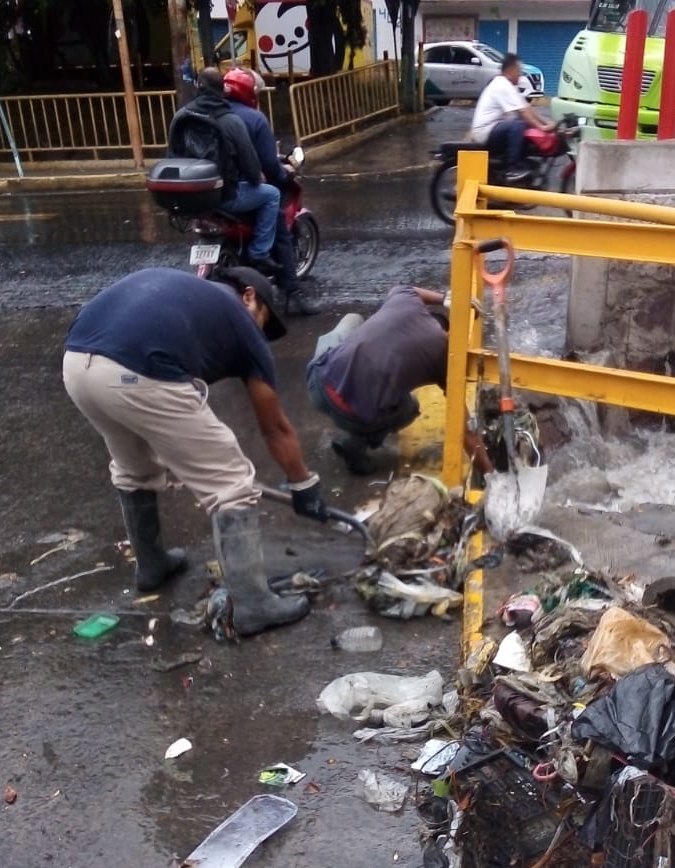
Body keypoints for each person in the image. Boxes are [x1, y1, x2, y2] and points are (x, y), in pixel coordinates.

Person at [62, 266, 328, 635]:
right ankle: (253, 606)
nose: (261, 334)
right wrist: (304, 484)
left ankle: (152, 566)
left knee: (133, 466)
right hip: (135, 371)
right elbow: (275, 427)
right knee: (230, 481)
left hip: (76, 362)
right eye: (265, 321)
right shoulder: (240, 320)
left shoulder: (186, 295)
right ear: (250, 295)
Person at [306, 285, 492, 476]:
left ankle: (345, 369)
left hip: (318, 383)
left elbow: (404, 288)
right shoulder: (443, 355)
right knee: (409, 407)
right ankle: (355, 441)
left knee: (352, 320)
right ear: (446, 332)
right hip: (350, 414)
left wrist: (444, 297)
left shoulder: (405, 302)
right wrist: (489, 474)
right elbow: (465, 431)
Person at [223, 67, 319, 318]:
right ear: (251, 92)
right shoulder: (255, 119)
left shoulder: (211, 113)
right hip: (240, 192)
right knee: (277, 220)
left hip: (210, 194)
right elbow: (268, 166)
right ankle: (292, 295)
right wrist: (285, 173)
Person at [187, 67, 281, 272]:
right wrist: (257, 177)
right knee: (272, 195)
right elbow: (250, 162)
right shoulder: (232, 121)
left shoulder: (186, 116)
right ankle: (259, 252)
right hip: (225, 194)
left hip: (194, 196)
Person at [470, 52, 556, 183]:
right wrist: (542, 128)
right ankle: (512, 168)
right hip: (485, 132)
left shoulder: (508, 86)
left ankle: (521, 161)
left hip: (494, 127)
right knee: (519, 124)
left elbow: (527, 108)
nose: (520, 75)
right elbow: (522, 112)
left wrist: (547, 123)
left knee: (522, 123)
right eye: (519, 71)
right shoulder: (501, 85)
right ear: (510, 70)